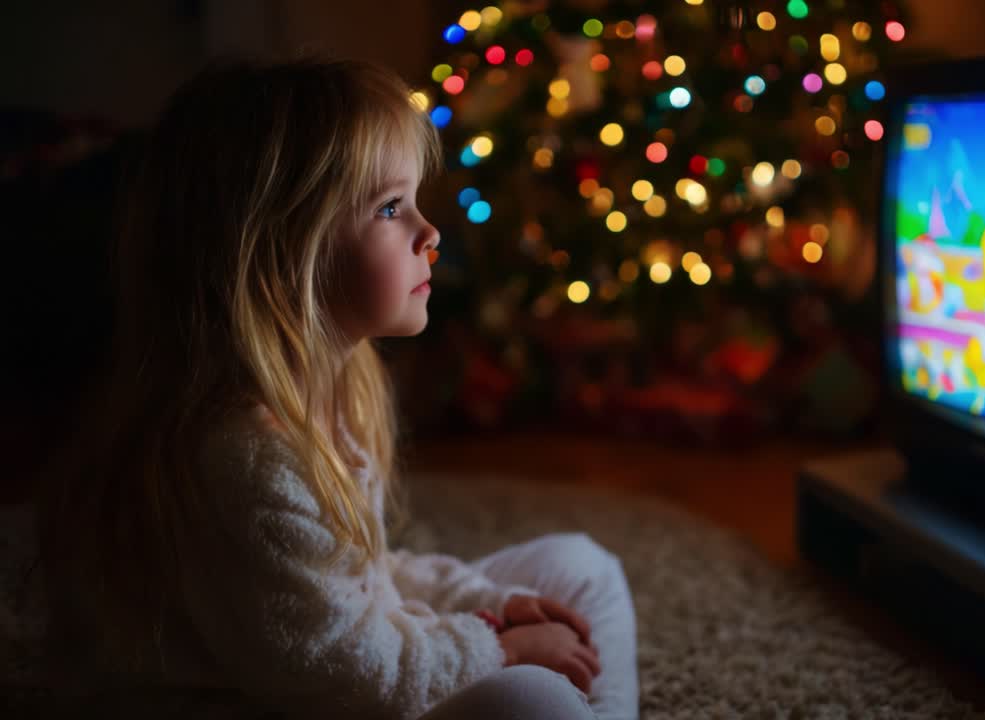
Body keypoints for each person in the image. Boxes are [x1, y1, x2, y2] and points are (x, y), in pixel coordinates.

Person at [32, 55, 638, 720]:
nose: (429, 234)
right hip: (288, 700)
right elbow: (343, 668)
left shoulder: (330, 392)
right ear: (279, 252)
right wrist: (501, 647)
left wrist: (486, 605)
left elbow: (358, 589)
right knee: (530, 700)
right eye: (389, 208)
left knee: (583, 568)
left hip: (331, 674)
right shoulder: (244, 455)